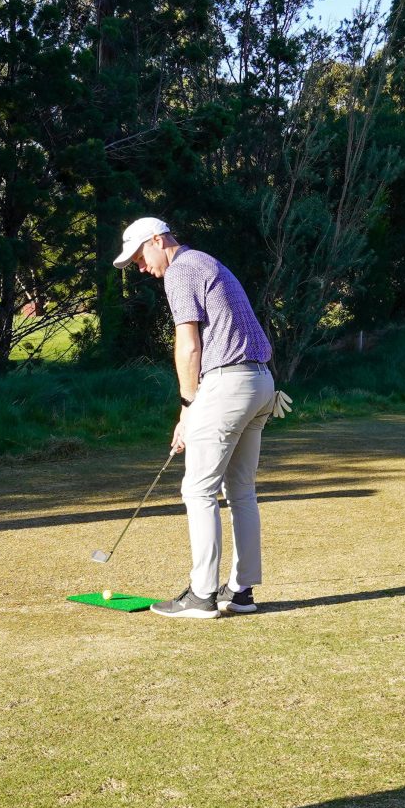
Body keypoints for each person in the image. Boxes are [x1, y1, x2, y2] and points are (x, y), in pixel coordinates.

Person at [112, 217, 285, 620]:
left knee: (198, 490)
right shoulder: (207, 262)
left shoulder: (181, 270)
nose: (141, 267)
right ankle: (240, 591)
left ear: (158, 240)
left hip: (228, 383)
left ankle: (202, 594)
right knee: (241, 490)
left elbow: (188, 345)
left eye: (140, 257)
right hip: (260, 381)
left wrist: (188, 407)